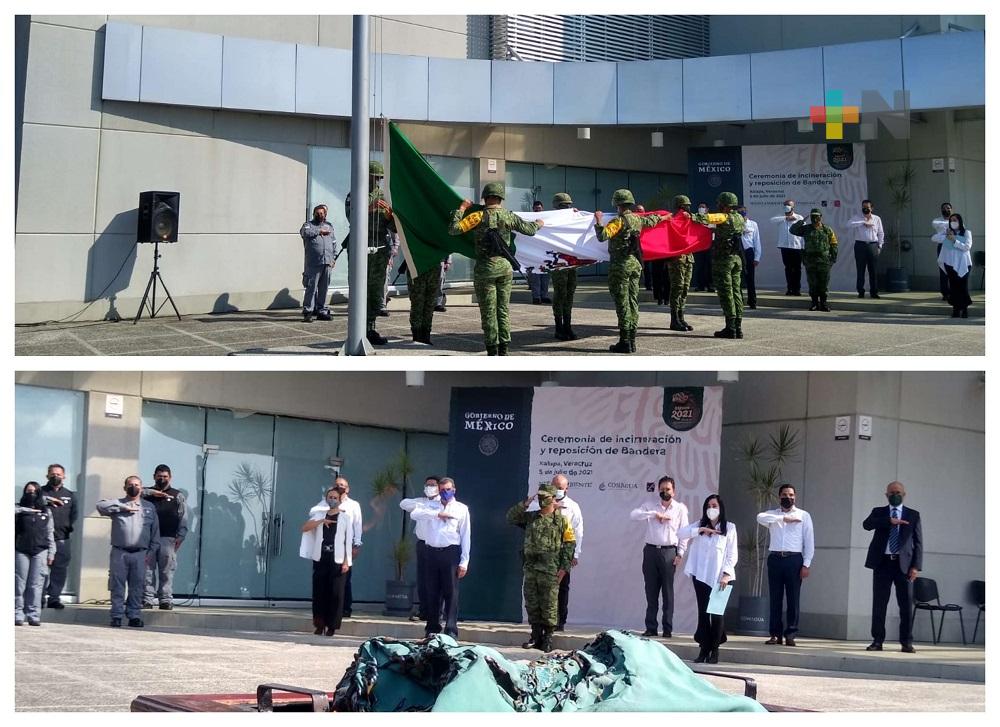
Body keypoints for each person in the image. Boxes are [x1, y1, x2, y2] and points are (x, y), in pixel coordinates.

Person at [448, 183, 543, 356]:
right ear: (500, 198)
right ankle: (504, 349)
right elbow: (529, 230)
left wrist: (461, 208)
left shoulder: (477, 216)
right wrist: (539, 223)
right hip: (505, 268)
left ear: (485, 198)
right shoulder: (509, 216)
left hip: (485, 269)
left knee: (488, 311)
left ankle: (492, 350)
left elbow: (454, 230)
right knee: (503, 309)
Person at [594, 189, 665, 353]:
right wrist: (664, 217)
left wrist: (598, 221)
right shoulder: (636, 219)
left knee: (622, 302)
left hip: (621, 266)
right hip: (635, 264)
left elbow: (602, 236)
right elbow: (652, 220)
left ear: (617, 204)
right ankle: (632, 340)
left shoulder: (618, 221)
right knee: (633, 301)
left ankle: (625, 341)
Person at [507, 486, 575, 652]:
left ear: (553, 499)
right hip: (531, 567)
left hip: (550, 568)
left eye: (546, 497)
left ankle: (548, 637)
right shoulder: (531, 517)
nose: (542, 500)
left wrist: (564, 568)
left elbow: (569, 544)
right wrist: (526, 502)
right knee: (532, 602)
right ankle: (535, 635)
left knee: (549, 603)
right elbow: (511, 517)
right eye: (540, 497)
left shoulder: (561, 520)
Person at [863, 481, 922, 653]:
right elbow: (866, 525)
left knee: (905, 605)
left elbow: (918, 543)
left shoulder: (913, 514)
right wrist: (888, 521)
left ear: (904, 494)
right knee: (879, 604)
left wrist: (916, 567)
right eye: (891, 492)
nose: (894, 495)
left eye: (898, 492)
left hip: (903, 565)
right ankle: (877, 640)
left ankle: (906, 642)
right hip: (883, 563)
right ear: (886, 495)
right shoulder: (878, 512)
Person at [678, 494, 738, 664]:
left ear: (721, 508)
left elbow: (732, 554)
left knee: (717, 615)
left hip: (721, 578)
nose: (712, 509)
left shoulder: (730, 528)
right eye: (709, 506)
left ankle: (715, 651)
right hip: (701, 577)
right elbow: (680, 533)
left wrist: (726, 574)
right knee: (703, 614)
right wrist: (701, 530)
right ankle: (703, 650)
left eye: (715, 505)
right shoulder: (699, 525)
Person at [408, 477, 471, 639]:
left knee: (451, 592)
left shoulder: (461, 508)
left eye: (448, 489)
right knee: (432, 591)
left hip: (451, 553)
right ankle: (432, 627)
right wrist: (437, 514)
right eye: (442, 490)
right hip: (431, 552)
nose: (445, 493)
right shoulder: (430, 505)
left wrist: (464, 561)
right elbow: (414, 514)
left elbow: (465, 536)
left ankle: (450, 629)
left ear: (454, 490)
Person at [95, 476, 160, 628]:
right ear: (124, 487)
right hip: (120, 552)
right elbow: (100, 506)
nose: (133, 487)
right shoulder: (118, 504)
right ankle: (116, 616)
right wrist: (123, 507)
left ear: (141, 488)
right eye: (130, 485)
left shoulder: (149, 507)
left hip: (140, 554)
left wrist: (149, 554)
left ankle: (134, 615)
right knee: (117, 585)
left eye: (136, 485)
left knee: (137, 586)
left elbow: (155, 534)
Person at [629, 476, 689, 638]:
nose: (665, 492)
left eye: (668, 489)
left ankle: (667, 628)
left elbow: (684, 533)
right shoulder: (650, 506)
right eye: (662, 489)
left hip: (669, 552)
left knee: (668, 592)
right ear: (658, 490)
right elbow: (633, 515)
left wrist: (680, 553)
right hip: (650, 551)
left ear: (674, 491)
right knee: (651, 590)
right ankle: (651, 627)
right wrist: (654, 514)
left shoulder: (680, 509)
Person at [756, 484, 814, 646]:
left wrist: (806, 564)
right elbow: (759, 517)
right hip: (775, 558)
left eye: (790, 495)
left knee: (793, 598)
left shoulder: (803, 515)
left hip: (794, 560)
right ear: (779, 497)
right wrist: (783, 518)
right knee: (775, 597)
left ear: (795, 497)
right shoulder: (772, 515)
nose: (787, 497)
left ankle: (791, 633)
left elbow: (809, 541)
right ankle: (775, 634)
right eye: (784, 495)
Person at [345, 160, 395, 345]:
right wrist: (370, 207)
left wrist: (390, 217)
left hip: (380, 248)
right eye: (374, 177)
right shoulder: (355, 194)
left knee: (375, 290)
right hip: (360, 246)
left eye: (379, 178)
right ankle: (357, 329)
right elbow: (352, 217)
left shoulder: (384, 196)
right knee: (359, 288)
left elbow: (394, 228)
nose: (376, 181)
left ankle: (370, 328)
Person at [526, 474, 583, 631]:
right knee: (540, 589)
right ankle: (541, 624)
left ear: (567, 488)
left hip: (563, 552)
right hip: (541, 554)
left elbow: (578, 531)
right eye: (554, 487)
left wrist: (575, 554)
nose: (557, 490)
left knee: (561, 587)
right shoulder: (540, 503)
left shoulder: (572, 506)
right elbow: (525, 517)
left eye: (560, 488)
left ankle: (559, 622)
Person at [692, 192, 746, 339]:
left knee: (726, 293)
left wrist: (688, 216)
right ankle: (738, 327)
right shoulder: (740, 218)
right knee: (736, 293)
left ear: (724, 205)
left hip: (724, 261)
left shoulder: (724, 216)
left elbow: (704, 218)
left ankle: (730, 328)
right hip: (736, 259)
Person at [300, 486, 353, 636]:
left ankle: (332, 626)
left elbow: (347, 542)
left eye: (335, 498)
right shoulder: (319, 515)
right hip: (321, 557)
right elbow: (304, 528)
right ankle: (319, 624)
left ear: (340, 500)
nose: (332, 500)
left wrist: (346, 562)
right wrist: (321, 521)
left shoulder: (345, 518)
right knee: (319, 592)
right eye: (330, 497)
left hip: (337, 559)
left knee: (336, 593)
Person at [141, 464, 188, 610]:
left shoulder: (177, 495)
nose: (162, 479)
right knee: (147, 571)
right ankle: (147, 599)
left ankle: (165, 600)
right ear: (154, 476)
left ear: (170, 477)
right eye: (159, 476)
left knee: (166, 571)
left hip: (167, 539)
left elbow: (183, 518)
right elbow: (135, 493)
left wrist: (180, 537)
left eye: (165, 476)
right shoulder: (146, 494)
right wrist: (152, 493)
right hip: (148, 539)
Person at [399, 475, 441, 623]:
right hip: (423, 544)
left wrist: (428, 510)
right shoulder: (421, 502)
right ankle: (424, 610)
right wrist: (423, 507)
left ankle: (437, 612)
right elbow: (404, 504)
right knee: (423, 579)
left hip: (438, 545)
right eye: (428, 485)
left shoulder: (442, 503)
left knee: (436, 580)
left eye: (433, 485)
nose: (430, 488)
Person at [15, 482, 56, 626]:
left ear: (39, 493)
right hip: (21, 550)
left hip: (41, 551)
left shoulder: (46, 512)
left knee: (36, 585)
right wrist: (26, 510)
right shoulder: (18, 510)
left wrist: (52, 552)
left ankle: (33, 615)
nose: (31, 494)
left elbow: (50, 533)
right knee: (19, 584)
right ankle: (17, 614)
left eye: (34, 491)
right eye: (28, 491)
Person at [40, 463, 78, 610]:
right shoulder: (40, 492)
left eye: (58, 474)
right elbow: (33, 503)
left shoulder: (70, 495)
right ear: (47, 476)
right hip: (42, 540)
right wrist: (49, 500)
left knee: (60, 570)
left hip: (62, 539)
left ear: (64, 476)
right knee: (41, 570)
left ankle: (54, 598)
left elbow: (74, 515)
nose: (55, 476)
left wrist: (66, 527)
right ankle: (39, 597)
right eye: (52, 474)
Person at [790, 209, 838, 312]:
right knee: (812, 283)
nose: (815, 218)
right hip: (810, 260)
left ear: (821, 217)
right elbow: (792, 230)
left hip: (824, 260)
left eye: (817, 216)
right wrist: (802, 221)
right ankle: (814, 303)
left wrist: (833, 259)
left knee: (824, 283)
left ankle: (824, 303)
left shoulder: (827, 229)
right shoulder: (806, 229)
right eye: (812, 216)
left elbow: (834, 244)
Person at [299, 203, 337, 322]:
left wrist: (333, 258)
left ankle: (322, 311)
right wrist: (319, 231)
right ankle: (308, 311)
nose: (320, 215)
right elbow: (304, 233)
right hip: (314, 263)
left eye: (322, 213)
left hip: (327, 262)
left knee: (324, 288)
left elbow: (334, 243)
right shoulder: (308, 225)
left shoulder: (329, 226)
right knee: (311, 287)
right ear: (314, 214)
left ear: (325, 215)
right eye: (318, 213)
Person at [550, 193, 580, 341]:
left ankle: (567, 325)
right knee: (560, 294)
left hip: (571, 263)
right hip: (558, 263)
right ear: (556, 206)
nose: (567, 207)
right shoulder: (551, 220)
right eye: (563, 205)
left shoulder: (573, 219)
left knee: (570, 293)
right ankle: (558, 327)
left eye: (568, 205)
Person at [934, 212, 973, 318]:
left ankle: (964, 309)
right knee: (953, 287)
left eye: (955, 220)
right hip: (950, 264)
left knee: (962, 287)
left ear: (960, 221)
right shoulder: (947, 233)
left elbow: (967, 247)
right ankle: (955, 309)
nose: (953, 222)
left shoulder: (966, 233)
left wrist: (954, 240)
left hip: (963, 264)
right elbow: (934, 238)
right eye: (951, 220)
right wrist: (945, 234)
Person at [334, 476, 363, 617]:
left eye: (342, 485)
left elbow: (357, 525)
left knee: (344, 577)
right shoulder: (328, 502)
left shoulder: (353, 505)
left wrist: (356, 544)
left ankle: (345, 608)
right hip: (329, 545)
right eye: (337, 485)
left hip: (346, 546)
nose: (339, 487)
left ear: (347, 488)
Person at [666, 195, 695, 332]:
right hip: (677, 259)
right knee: (677, 289)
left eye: (688, 206)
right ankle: (674, 320)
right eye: (684, 206)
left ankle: (681, 317)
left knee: (684, 289)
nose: (687, 208)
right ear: (679, 206)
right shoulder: (672, 219)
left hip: (688, 258)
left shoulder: (689, 219)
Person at [405, 256, 445, 345]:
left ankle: (426, 334)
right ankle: (417, 335)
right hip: (416, 265)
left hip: (433, 265)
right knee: (417, 303)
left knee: (430, 303)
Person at [849, 199, 885, 298]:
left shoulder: (877, 218)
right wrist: (862, 222)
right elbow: (849, 224)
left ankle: (874, 292)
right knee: (860, 270)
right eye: (863, 207)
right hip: (860, 245)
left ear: (871, 208)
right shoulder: (857, 217)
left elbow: (881, 233)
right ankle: (861, 292)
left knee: (873, 270)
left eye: (867, 207)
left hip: (873, 245)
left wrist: (880, 246)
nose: (865, 209)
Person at [770, 200, 805, 296]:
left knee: (797, 269)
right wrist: (786, 218)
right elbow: (772, 220)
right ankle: (790, 289)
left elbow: (803, 232)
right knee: (788, 268)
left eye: (788, 206)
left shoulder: (799, 217)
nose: (786, 207)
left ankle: (797, 289)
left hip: (797, 247)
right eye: (785, 206)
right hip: (785, 247)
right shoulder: (781, 218)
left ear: (793, 207)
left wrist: (804, 246)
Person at [737, 205, 761, 309]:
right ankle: (739, 302)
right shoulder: (734, 224)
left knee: (750, 278)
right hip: (737, 252)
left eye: (743, 211)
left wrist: (757, 257)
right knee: (738, 278)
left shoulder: (753, 224)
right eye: (739, 212)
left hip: (749, 252)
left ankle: (752, 301)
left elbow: (757, 241)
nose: (742, 213)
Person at [931, 202, 954, 301]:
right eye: (944, 208)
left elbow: (960, 232)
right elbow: (941, 228)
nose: (947, 210)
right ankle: (945, 293)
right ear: (941, 210)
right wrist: (950, 230)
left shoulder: (956, 219)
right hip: (943, 246)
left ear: (952, 209)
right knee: (943, 269)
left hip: (954, 247)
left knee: (954, 270)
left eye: (948, 208)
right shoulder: (937, 221)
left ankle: (954, 292)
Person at [692, 202, 714, 292]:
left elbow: (713, 228)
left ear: (707, 209)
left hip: (709, 246)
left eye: (703, 207)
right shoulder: (696, 218)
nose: (701, 208)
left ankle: (710, 285)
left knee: (709, 267)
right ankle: (700, 285)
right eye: (700, 207)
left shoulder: (711, 218)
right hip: (699, 246)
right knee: (699, 266)